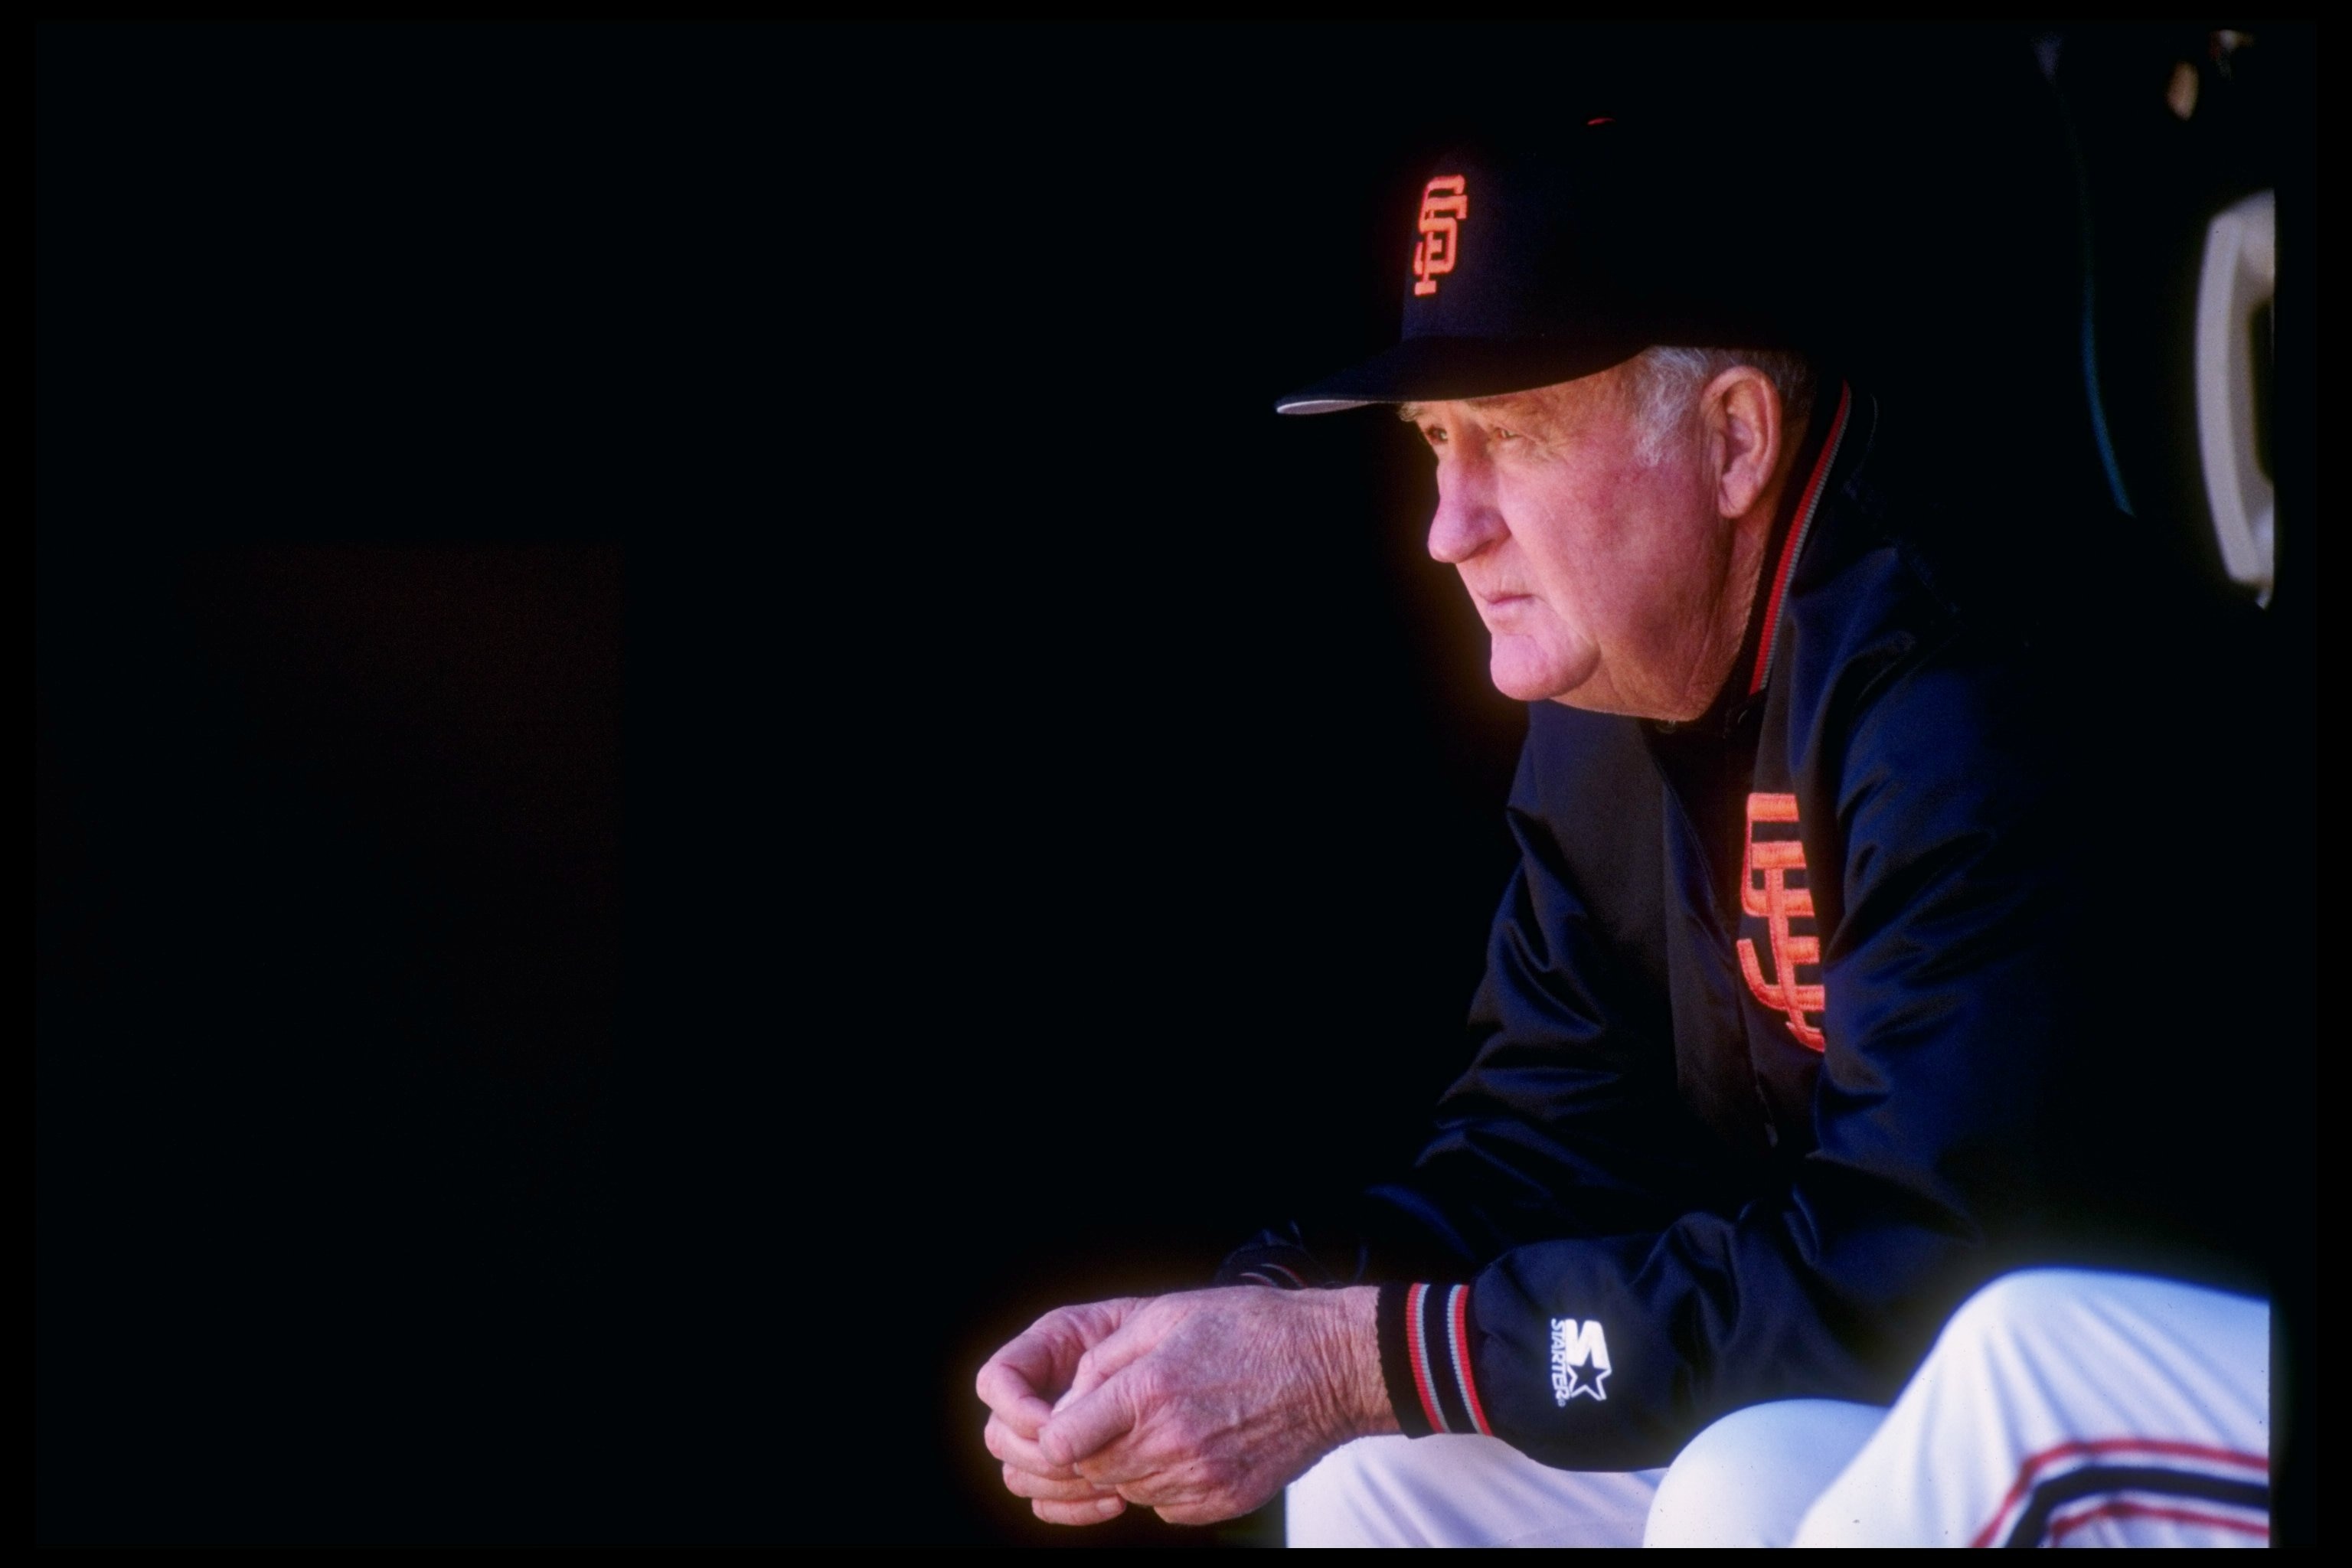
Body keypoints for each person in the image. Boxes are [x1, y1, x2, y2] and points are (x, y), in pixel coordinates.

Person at [975, 121, 2283, 1545]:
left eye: (1513, 433)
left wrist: (1366, 1360)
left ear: (1731, 441)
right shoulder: (1613, 694)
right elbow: (1544, 1153)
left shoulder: (1973, 671)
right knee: (1378, 1468)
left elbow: (1917, 1263)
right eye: (1434, 442)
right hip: (1948, 1340)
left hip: (2200, 1335)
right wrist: (1252, 1320)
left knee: (1861, 1429)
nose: (1446, 526)